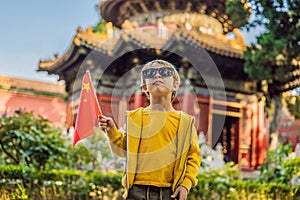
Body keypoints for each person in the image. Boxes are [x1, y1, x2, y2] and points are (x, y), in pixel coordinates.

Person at [98, 59, 201, 200]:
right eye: (151, 73)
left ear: (176, 85)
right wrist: (112, 132)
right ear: (144, 86)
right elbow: (123, 150)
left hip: (169, 191)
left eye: (164, 72)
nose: (157, 76)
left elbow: (193, 157)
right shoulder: (136, 117)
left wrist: (185, 184)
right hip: (136, 190)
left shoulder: (185, 122)